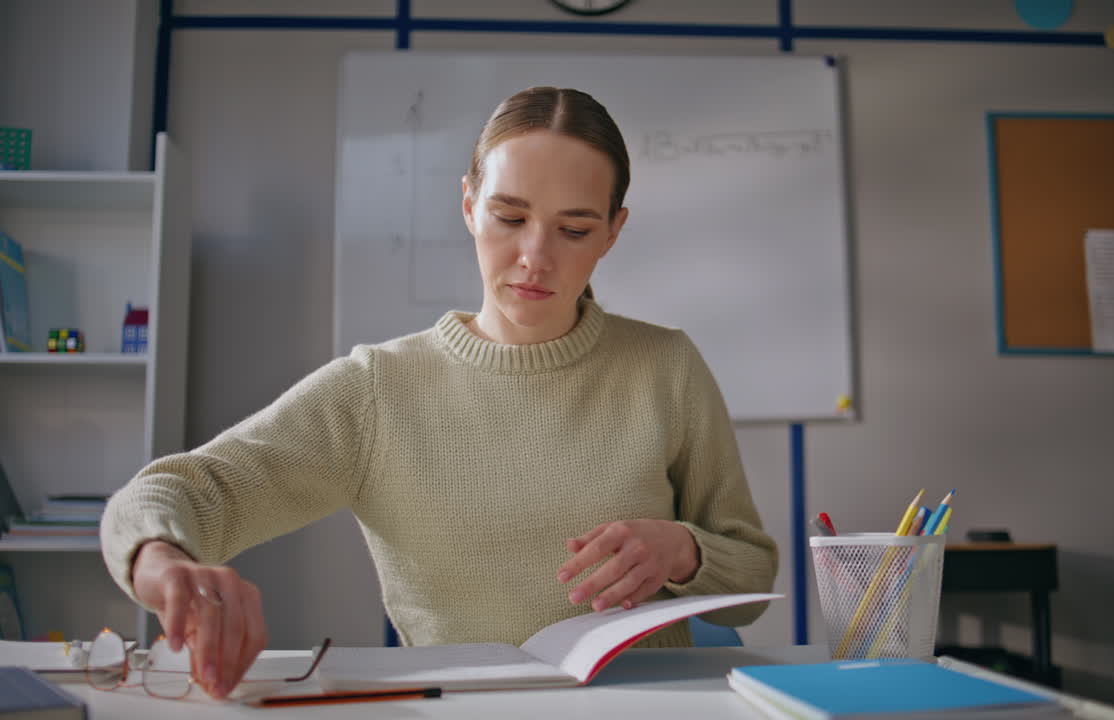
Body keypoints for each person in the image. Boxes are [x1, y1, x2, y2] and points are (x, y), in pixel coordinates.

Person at [101, 86, 777, 699]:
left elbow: (751, 582)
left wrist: (684, 551)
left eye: (574, 229)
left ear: (612, 232)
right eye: (509, 217)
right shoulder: (377, 391)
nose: (535, 257)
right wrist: (165, 564)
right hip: (464, 711)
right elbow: (172, 494)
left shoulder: (665, 366)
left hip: (654, 710)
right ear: (467, 206)